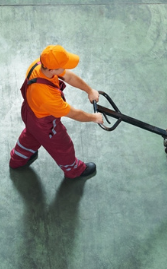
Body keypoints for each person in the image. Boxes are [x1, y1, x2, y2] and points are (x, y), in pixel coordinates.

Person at [9, 45, 103, 179]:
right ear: (52, 68)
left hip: (29, 112)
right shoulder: (48, 97)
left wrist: (89, 90)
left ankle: (17, 160)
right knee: (62, 146)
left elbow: (69, 77)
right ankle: (74, 170)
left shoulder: (39, 64)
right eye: (63, 66)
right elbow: (74, 113)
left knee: (31, 135)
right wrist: (94, 118)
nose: (65, 69)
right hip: (45, 125)